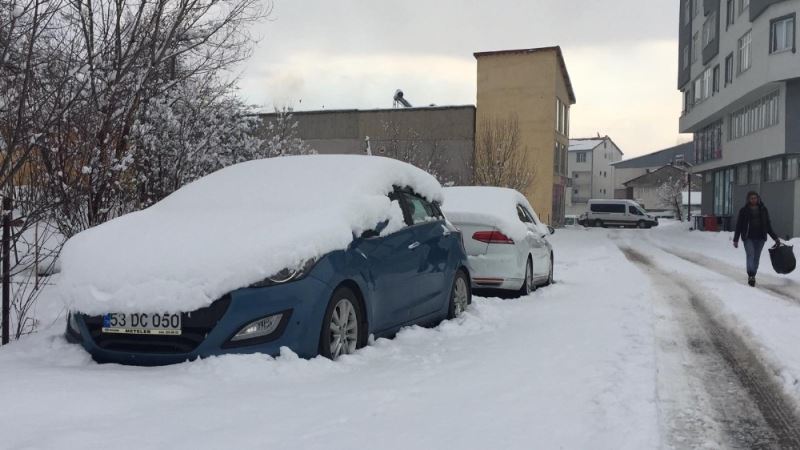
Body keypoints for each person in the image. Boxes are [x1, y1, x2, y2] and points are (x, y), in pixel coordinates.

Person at [733, 191, 780, 287]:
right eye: (751, 198)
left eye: (755, 198)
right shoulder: (744, 211)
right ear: (748, 199)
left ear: (758, 199)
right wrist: (736, 239)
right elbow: (739, 225)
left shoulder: (763, 210)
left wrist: (775, 238)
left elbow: (768, 225)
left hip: (760, 238)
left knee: (756, 257)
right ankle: (750, 275)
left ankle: (753, 274)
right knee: (750, 255)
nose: (753, 200)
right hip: (748, 237)